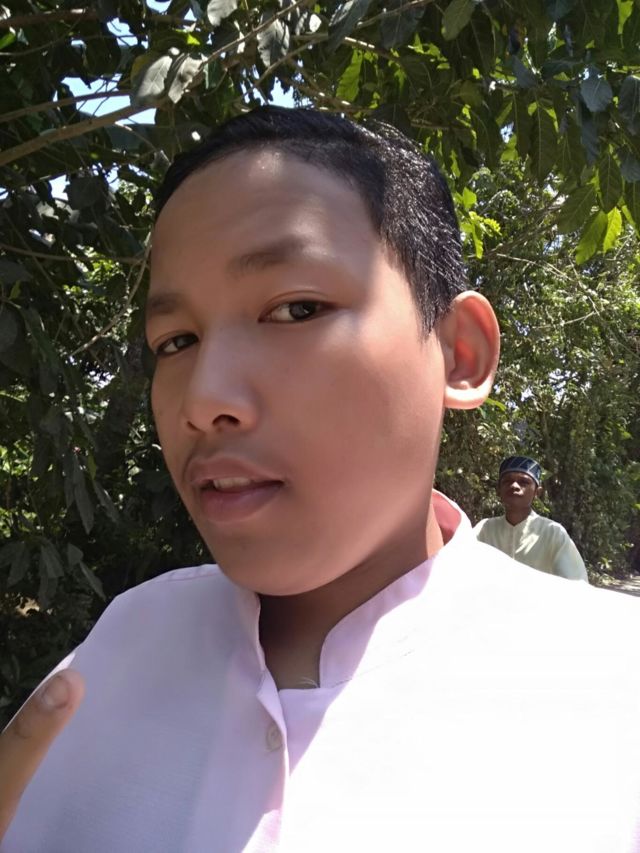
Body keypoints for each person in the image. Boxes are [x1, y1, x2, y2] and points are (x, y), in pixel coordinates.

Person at [2, 107, 640, 853]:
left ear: (459, 353)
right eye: (175, 341)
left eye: (295, 308)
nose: (204, 398)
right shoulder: (117, 651)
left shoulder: (609, 688)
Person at [474, 455, 588, 581]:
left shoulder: (553, 533)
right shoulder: (484, 529)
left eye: (523, 482)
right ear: (498, 490)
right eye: (507, 481)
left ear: (537, 492)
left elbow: (576, 582)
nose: (514, 486)